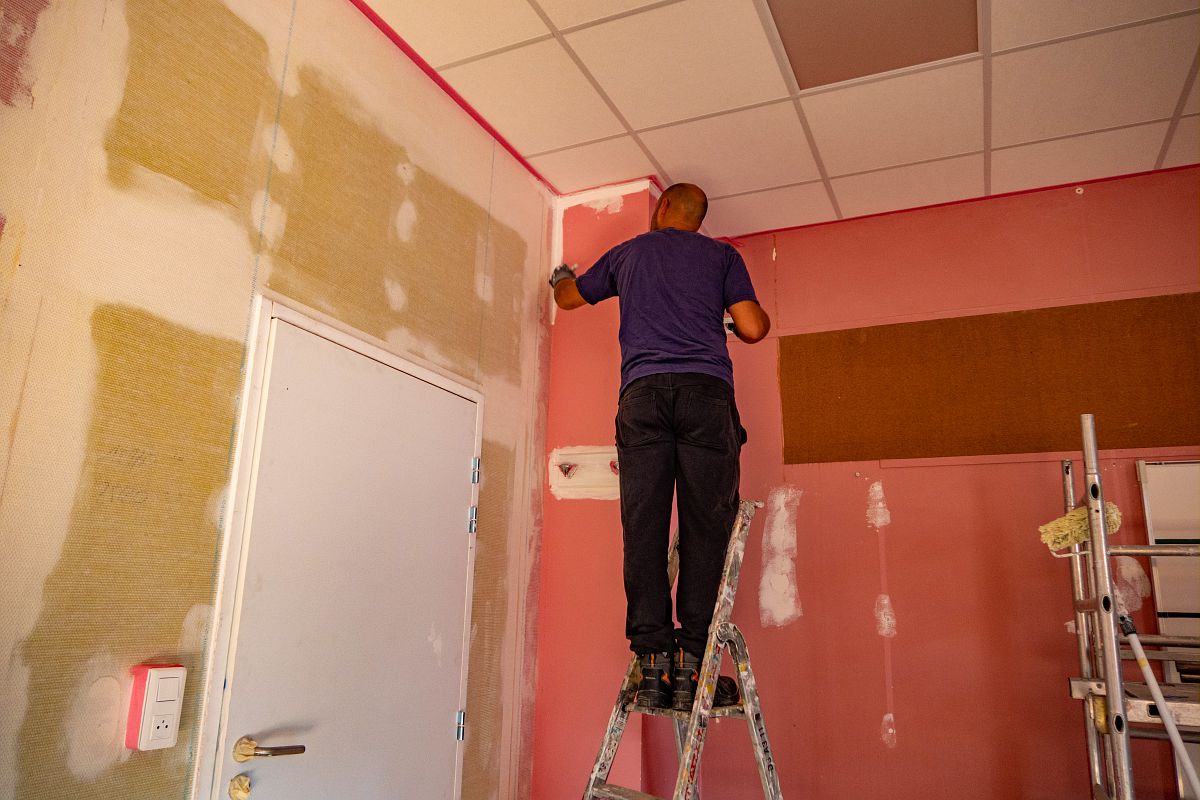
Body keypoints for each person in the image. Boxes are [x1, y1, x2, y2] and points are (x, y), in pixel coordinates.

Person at [550, 183, 770, 710]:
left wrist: (560, 276)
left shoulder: (630, 252)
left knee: (644, 528)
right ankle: (694, 664)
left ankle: (653, 665)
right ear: (699, 218)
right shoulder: (723, 256)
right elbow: (755, 327)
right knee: (704, 530)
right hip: (706, 397)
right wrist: (721, 325)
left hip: (643, 396)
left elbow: (570, 297)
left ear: (663, 208)